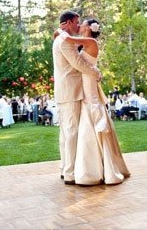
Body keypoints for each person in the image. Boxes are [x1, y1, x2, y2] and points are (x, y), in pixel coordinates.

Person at [57, 18, 130, 185]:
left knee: (92, 113)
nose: (79, 25)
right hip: (85, 83)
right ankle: (91, 167)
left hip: (89, 84)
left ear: (89, 28)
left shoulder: (90, 41)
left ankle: (99, 169)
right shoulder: (84, 43)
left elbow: (67, 38)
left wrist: (60, 30)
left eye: (82, 23)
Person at [52, 10, 101, 185]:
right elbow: (78, 63)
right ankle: (70, 173)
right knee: (71, 132)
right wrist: (95, 72)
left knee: (65, 133)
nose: (78, 25)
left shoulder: (62, 38)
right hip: (70, 92)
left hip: (66, 92)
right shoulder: (64, 41)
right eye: (76, 22)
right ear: (67, 22)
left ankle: (65, 168)